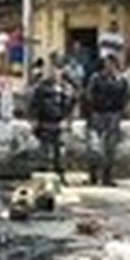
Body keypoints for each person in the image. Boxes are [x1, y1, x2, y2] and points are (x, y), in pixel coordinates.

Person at [29, 54, 77, 183]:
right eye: (53, 68)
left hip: (60, 123)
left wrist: (69, 121)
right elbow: (34, 104)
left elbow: (72, 105)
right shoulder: (42, 87)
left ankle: (60, 176)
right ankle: (44, 178)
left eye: (58, 68)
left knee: (60, 153)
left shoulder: (68, 88)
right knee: (44, 152)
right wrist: (34, 121)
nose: (56, 72)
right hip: (45, 122)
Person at [85, 55, 130, 186]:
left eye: (111, 64)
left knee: (110, 149)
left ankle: (107, 176)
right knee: (94, 147)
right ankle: (93, 175)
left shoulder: (121, 80)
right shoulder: (96, 78)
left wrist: (121, 111)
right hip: (98, 113)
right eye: (107, 64)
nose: (109, 67)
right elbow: (88, 94)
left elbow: (125, 97)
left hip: (113, 115)